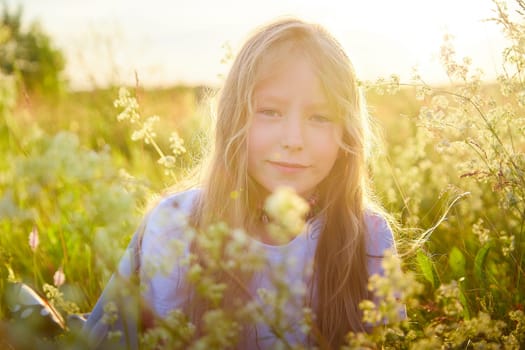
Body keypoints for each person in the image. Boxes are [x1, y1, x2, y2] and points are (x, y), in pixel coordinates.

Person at [83, 17, 401, 349]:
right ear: (234, 118)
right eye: (270, 112)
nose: (293, 139)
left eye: (319, 117)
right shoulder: (176, 224)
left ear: (346, 134)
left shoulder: (369, 236)